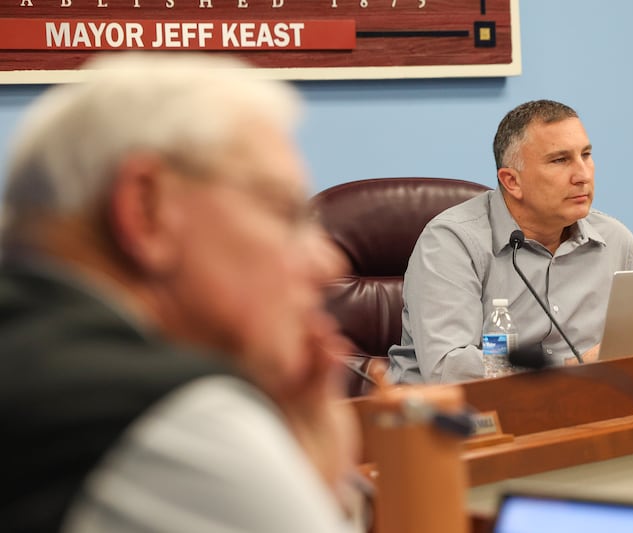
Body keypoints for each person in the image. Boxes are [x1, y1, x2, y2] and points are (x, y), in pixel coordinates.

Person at [0, 53, 362, 532]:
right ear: (146, 208)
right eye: (284, 211)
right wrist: (321, 491)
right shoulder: (177, 420)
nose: (327, 263)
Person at [387, 100, 633, 384]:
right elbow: (449, 368)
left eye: (586, 154)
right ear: (512, 181)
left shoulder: (615, 241)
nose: (583, 175)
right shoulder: (452, 242)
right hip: (455, 417)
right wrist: (569, 366)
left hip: (577, 410)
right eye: (560, 160)